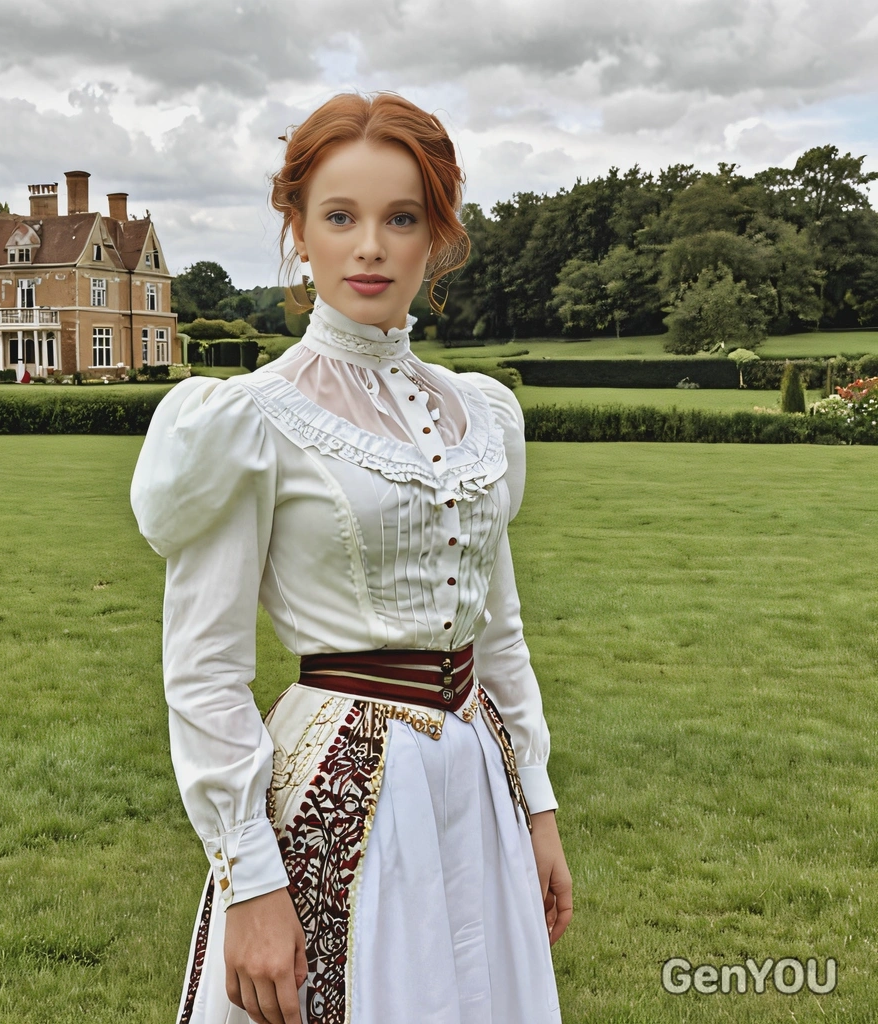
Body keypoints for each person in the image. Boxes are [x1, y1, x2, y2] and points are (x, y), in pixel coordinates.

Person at [131, 91, 572, 1024]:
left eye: (400, 217)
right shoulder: (252, 418)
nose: (369, 245)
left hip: (479, 782)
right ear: (299, 232)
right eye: (340, 216)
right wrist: (249, 880)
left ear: (435, 236)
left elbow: (499, 629)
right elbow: (204, 671)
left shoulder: (475, 413)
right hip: (339, 796)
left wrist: (537, 806)